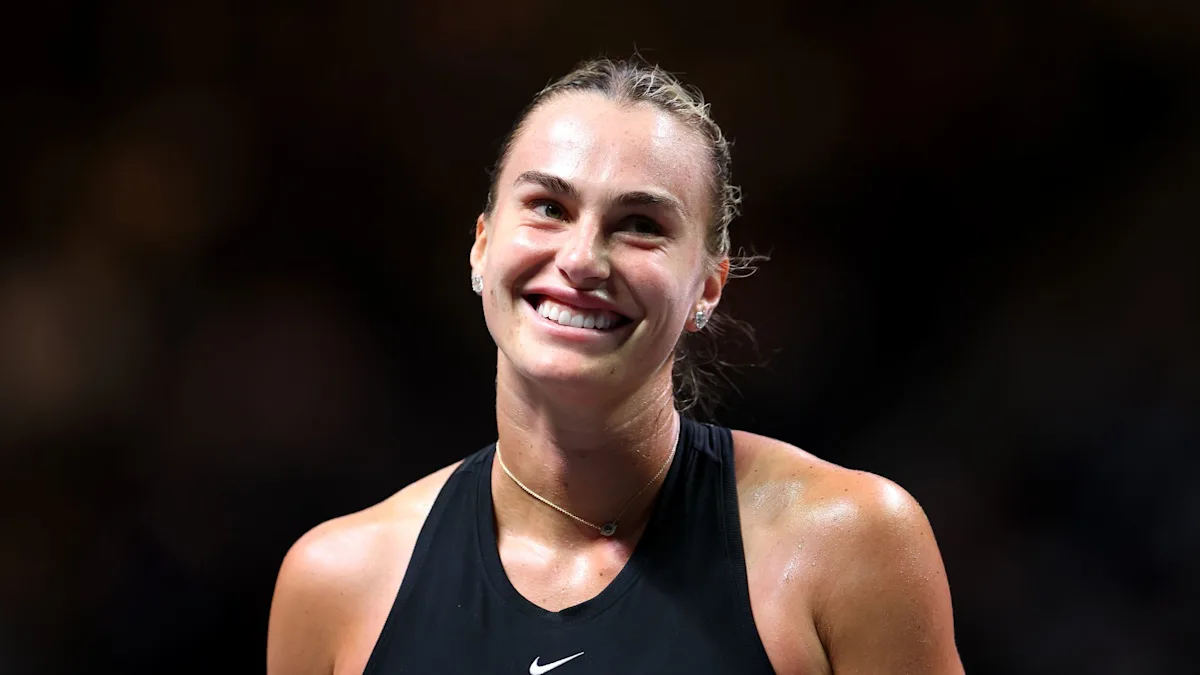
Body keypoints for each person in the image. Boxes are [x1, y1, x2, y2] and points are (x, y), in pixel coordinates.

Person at [266, 57, 964, 675]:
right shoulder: (337, 582)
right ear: (482, 246)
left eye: (641, 225)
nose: (580, 260)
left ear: (708, 288)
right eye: (548, 206)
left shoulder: (848, 545)